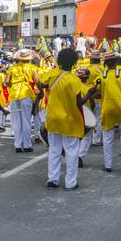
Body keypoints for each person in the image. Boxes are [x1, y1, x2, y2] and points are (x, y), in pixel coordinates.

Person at [41, 48, 97, 190]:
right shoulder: (74, 80)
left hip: (53, 118)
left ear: (59, 61)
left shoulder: (52, 74)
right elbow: (79, 103)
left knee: (54, 150)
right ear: (73, 63)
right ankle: (70, 182)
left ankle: (52, 180)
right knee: (71, 151)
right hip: (69, 121)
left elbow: (40, 84)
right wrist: (89, 94)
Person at [5, 49, 37, 153]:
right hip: (26, 93)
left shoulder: (12, 68)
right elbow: (37, 81)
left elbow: (6, 82)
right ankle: (27, 145)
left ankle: (18, 145)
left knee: (16, 120)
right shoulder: (32, 68)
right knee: (26, 120)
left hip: (14, 94)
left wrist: (13, 85)